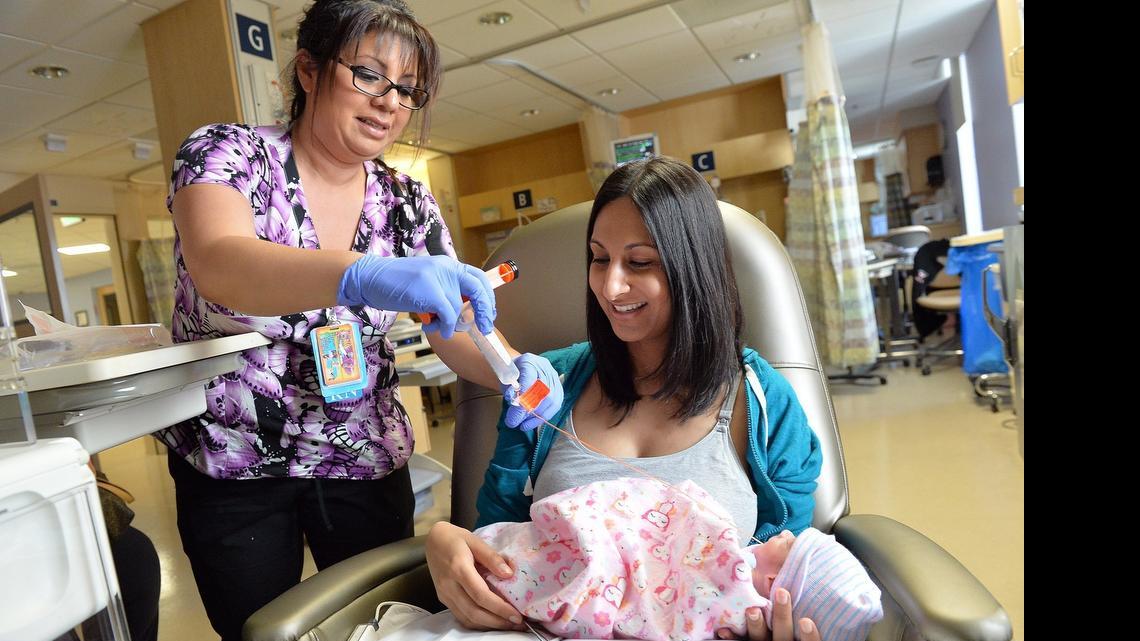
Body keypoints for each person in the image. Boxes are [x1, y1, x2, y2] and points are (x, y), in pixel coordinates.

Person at [157, 1, 562, 639]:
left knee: (380, 626)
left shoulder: (406, 201)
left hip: (360, 452)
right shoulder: (227, 154)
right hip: (234, 458)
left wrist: (513, 370)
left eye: (407, 89)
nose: (388, 104)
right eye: (369, 75)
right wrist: (358, 273)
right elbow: (220, 263)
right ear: (310, 71)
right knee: (257, 628)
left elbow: (451, 321)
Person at [426, 156, 828, 640]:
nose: (611, 286)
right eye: (599, 258)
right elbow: (498, 547)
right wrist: (446, 543)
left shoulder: (762, 403)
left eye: (639, 262)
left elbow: (792, 570)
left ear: (692, 268)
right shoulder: (544, 389)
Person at [476, 478, 883, 641]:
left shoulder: (736, 592)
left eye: (793, 546)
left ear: (776, 581)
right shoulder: (544, 391)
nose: (789, 532)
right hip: (503, 592)